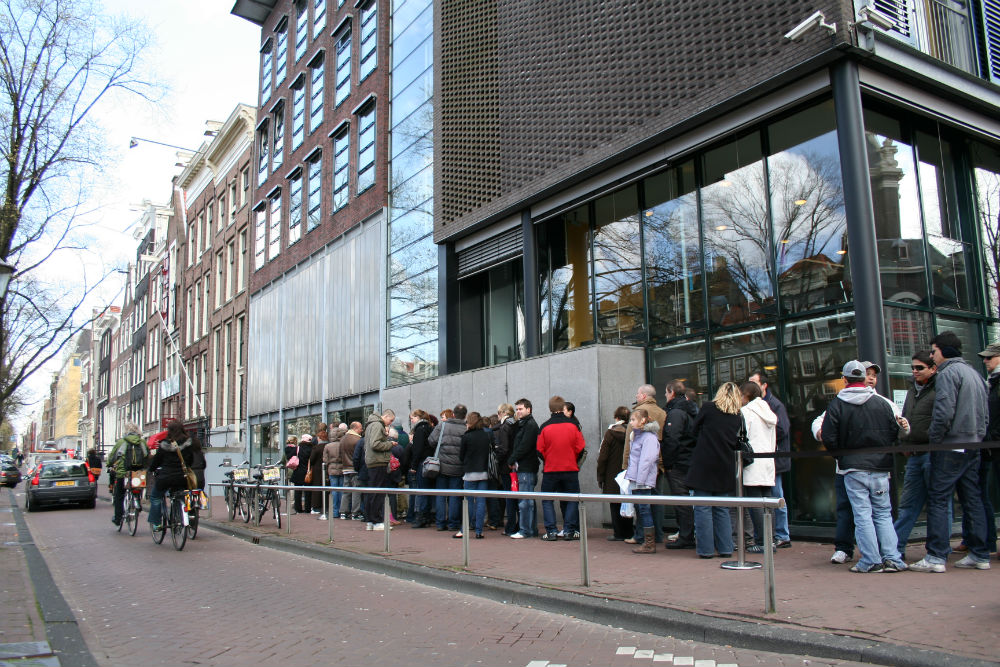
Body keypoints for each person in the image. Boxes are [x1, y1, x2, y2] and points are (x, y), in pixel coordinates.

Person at [910, 332, 991, 572]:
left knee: (938, 497)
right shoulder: (975, 373)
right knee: (972, 498)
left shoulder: (948, 374)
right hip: (973, 443)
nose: (932, 356)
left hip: (951, 444)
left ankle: (936, 556)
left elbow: (944, 411)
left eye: (933, 351)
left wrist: (936, 440)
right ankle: (980, 553)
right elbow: (984, 412)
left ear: (944, 351)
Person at [822, 361, 908, 573]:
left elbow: (829, 437)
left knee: (862, 514)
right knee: (883, 513)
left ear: (845, 379)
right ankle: (892, 557)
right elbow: (894, 431)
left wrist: (840, 456)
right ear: (864, 379)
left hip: (852, 467)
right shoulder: (882, 403)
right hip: (879, 466)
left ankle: (871, 559)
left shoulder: (837, 405)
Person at [684, 382, 742, 559]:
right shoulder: (737, 416)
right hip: (725, 464)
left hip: (704, 463)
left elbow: (693, 430)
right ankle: (725, 548)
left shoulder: (709, 408)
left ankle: (706, 550)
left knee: (702, 508)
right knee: (722, 509)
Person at [893, 351, 938, 557]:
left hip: (932, 452)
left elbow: (942, 419)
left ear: (932, 368)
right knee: (908, 503)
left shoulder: (939, 388)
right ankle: (895, 549)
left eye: (919, 368)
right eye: (912, 367)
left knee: (938, 504)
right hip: (914, 453)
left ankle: (936, 552)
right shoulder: (912, 390)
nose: (914, 371)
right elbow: (907, 417)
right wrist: (904, 438)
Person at [748, 370, 792, 548]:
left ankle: (782, 534)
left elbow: (782, 429)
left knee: (776, 496)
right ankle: (771, 535)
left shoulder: (775, 405)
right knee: (769, 498)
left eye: (754, 382)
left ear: (764, 385)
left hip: (773, 459)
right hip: (767, 459)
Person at [536, 395, 585, 541]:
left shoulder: (544, 426)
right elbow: (580, 447)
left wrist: (548, 459)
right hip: (570, 468)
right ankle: (569, 530)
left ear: (550, 408)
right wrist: (572, 458)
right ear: (562, 408)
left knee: (547, 499)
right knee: (571, 498)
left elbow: (539, 449)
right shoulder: (573, 425)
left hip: (551, 469)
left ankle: (551, 531)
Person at [622, 384, 667, 542]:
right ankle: (658, 535)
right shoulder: (662, 412)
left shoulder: (639, 416)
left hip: (641, 469)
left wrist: (626, 466)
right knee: (656, 501)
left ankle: (642, 537)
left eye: (637, 393)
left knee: (642, 506)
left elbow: (630, 444)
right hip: (658, 464)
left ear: (642, 396)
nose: (635, 396)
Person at [968, 342, 1000, 556]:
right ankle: (987, 542)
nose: (985, 360)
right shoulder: (991, 381)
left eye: (990, 357)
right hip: (991, 446)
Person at [739, 382, 777, 554]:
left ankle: (762, 541)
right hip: (768, 461)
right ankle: (771, 539)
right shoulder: (768, 411)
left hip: (753, 461)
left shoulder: (746, 412)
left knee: (755, 502)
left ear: (745, 395)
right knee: (767, 501)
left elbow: (742, 436)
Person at [662, 381, 698, 550]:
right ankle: (688, 534)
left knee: (681, 500)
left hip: (679, 462)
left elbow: (672, 439)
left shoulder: (676, 413)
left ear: (672, 393)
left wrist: (668, 463)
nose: (665, 396)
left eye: (666, 392)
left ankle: (686, 535)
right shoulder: (692, 410)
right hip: (689, 459)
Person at [146, 422, 202, 531]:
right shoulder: (188, 444)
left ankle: (157, 523)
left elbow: (156, 461)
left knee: (155, 497)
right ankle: (179, 517)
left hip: (166, 477)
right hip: (182, 478)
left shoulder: (164, 444)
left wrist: (151, 469)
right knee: (181, 496)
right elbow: (190, 461)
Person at [625, 408, 661, 553]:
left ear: (643, 421)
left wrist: (639, 480)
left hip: (643, 480)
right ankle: (644, 539)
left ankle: (649, 543)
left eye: (633, 420)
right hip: (638, 479)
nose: (631, 423)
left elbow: (647, 460)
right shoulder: (638, 436)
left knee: (644, 510)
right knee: (641, 510)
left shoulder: (648, 437)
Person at [428, 405, 468, 533]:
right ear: (465, 416)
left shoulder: (442, 426)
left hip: (442, 466)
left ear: (454, 415)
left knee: (440, 495)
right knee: (454, 496)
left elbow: (431, 441)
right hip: (458, 467)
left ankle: (440, 523)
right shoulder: (465, 429)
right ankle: (453, 523)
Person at [596, 406, 633, 541]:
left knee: (614, 503)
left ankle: (618, 532)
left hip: (612, 473)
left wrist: (600, 475)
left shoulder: (610, 433)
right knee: (628, 501)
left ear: (616, 417)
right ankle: (629, 531)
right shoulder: (632, 432)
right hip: (628, 472)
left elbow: (603, 456)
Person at [507, 398, 540, 539]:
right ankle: (529, 529)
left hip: (526, 466)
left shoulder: (530, 425)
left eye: (521, 409)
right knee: (527, 499)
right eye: (517, 409)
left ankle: (525, 530)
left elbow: (524, 446)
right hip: (525, 466)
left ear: (529, 409)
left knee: (525, 500)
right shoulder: (525, 424)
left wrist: (512, 458)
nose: (518, 412)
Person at [107, 422, 147, 526]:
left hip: (123, 473)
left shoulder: (121, 442)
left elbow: (112, 457)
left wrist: (109, 464)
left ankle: (118, 518)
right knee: (137, 489)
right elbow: (147, 456)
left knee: (119, 495)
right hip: (138, 473)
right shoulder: (142, 442)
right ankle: (137, 502)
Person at [459, 411, 492, 538]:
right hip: (483, 472)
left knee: (468, 502)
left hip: (470, 472)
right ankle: (479, 531)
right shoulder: (486, 435)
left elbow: (461, 456)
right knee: (481, 502)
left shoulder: (466, 436)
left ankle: (465, 529)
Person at [363, 409, 396, 531]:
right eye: (390, 420)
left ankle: (371, 520)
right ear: (386, 416)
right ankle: (376, 521)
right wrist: (389, 444)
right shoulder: (377, 425)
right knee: (378, 492)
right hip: (378, 461)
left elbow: (370, 444)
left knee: (373, 491)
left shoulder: (371, 424)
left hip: (372, 461)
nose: (390, 423)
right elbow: (375, 444)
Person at [495, 403, 519, 535]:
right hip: (515, 465)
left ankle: (510, 527)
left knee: (509, 497)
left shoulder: (505, 427)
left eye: (499, 413)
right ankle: (517, 524)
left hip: (506, 466)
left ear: (504, 413)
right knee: (516, 496)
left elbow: (504, 448)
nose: (498, 416)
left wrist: (496, 460)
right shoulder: (515, 424)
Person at [408, 410, 435, 528]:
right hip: (431, 462)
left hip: (422, 463)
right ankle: (428, 516)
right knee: (429, 490)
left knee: (422, 490)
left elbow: (417, 449)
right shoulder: (430, 428)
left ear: (418, 417)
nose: (411, 420)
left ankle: (421, 516)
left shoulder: (419, 430)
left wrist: (413, 466)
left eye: (412, 418)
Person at [323, 424, 348, 521]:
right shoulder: (343, 445)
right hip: (342, 468)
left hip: (332, 468)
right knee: (342, 489)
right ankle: (342, 511)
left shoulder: (328, 446)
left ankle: (334, 511)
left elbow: (325, 460)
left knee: (334, 490)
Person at [340, 423, 363, 519]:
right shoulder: (358, 440)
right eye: (361, 428)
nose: (362, 430)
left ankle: (343, 512)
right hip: (354, 468)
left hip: (345, 468)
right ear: (356, 428)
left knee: (346, 491)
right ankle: (355, 512)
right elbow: (359, 456)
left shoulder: (343, 439)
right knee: (356, 491)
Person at [290, 434, 314, 514]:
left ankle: (298, 508)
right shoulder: (312, 449)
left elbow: (291, 456)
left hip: (298, 471)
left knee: (298, 491)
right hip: (308, 471)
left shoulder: (298, 448)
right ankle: (308, 508)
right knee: (308, 492)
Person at [310, 423, 328, 516]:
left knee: (317, 488)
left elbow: (312, 460)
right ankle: (325, 506)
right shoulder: (328, 446)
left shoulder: (316, 448)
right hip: (326, 470)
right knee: (326, 488)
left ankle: (316, 507)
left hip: (317, 470)